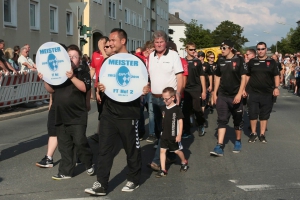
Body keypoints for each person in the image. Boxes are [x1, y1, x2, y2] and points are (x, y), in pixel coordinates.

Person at [84, 28, 149, 196]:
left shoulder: (137, 62)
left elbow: (145, 84)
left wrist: (145, 89)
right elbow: (102, 85)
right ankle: (101, 184)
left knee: (131, 149)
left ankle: (133, 179)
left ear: (123, 41)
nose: (109, 43)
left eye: (112, 40)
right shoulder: (108, 63)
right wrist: (101, 88)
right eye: (109, 41)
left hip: (129, 113)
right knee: (104, 149)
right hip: (109, 112)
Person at [39, 44, 94, 180]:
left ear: (79, 59)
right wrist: (45, 79)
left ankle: (88, 162)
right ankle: (66, 171)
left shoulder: (83, 73)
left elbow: (84, 88)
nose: (71, 59)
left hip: (77, 115)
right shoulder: (58, 73)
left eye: (74, 57)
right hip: (61, 114)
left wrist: (72, 77)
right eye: (69, 56)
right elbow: (51, 90)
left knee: (80, 141)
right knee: (64, 145)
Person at [146, 30, 183, 171]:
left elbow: (180, 76)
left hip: (167, 99)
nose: (159, 44)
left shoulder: (173, 56)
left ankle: (156, 161)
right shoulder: (151, 56)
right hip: (153, 98)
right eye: (156, 42)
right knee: (158, 129)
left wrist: (178, 93)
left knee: (164, 131)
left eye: (161, 42)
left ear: (166, 42)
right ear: (153, 43)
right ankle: (171, 155)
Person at [210, 40, 247, 156]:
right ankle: (219, 146)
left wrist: (239, 93)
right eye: (221, 48)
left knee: (237, 120)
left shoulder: (239, 60)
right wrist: (214, 93)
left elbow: (244, 77)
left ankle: (238, 140)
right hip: (223, 95)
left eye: (224, 48)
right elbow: (217, 77)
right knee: (222, 119)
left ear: (230, 48)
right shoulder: (220, 60)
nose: (222, 50)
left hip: (235, 95)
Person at [246, 42, 280, 143]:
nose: (260, 51)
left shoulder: (272, 62)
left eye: (262, 49)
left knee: (264, 114)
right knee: (252, 113)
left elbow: (276, 75)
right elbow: (247, 76)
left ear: (266, 49)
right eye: (259, 49)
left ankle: (262, 134)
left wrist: (276, 88)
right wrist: (244, 89)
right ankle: (253, 133)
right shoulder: (252, 62)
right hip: (253, 92)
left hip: (267, 92)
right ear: (257, 50)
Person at [156, 87, 188, 178]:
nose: (164, 101)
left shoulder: (177, 109)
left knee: (177, 151)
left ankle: (184, 161)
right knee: (162, 151)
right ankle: (163, 170)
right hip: (164, 135)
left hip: (173, 135)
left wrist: (179, 134)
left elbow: (180, 122)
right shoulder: (163, 108)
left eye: (166, 99)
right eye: (163, 98)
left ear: (173, 97)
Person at [182, 43, 206, 138]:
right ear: (186, 50)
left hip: (196, 88)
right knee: (185, 111)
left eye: (194, 50)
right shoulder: (182, 61)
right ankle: (186, 130)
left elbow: (202, 76)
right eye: (191, 49)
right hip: (186, 89)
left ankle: (201, 125)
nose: (193, 51)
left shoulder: (198, 62)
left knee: (197, 109)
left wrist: (203, 91)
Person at [89, 36, 109, 142]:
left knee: (107, 111)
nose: (99, 44)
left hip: (108, 87)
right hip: (98, 86)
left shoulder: (109, 53)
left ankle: (103, 133)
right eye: (98, 42)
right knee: (101, 111)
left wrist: (103, 50)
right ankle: (99, 132)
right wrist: (87, 81)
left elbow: (108, 62)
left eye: (102, 42)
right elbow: (93, 68)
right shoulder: (95, 54)